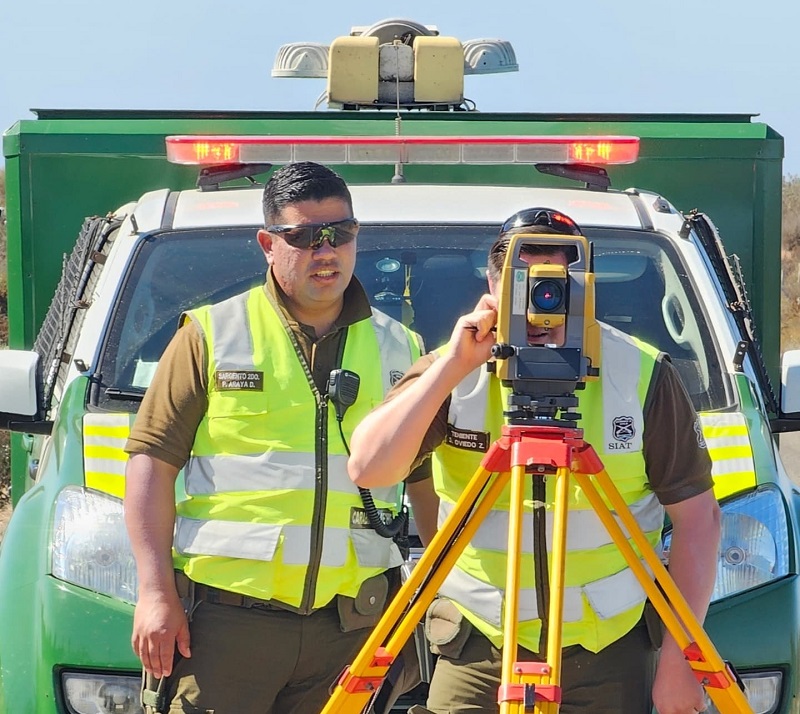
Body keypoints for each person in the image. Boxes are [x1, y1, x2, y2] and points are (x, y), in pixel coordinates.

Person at [347, 208, 722, 714]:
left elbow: (699, 521)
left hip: (607, 649)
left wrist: (681, 668)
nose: (546, 296)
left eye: (562, 277)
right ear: (493, 282)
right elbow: (370, 468)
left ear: (586, 283)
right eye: (528, 278)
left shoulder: (640, 374)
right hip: (477, 645)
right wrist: (455, 365)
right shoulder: (457, 366)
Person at [124, 161, 436, 714]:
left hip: (351, 627)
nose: (326, 251)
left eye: (339, 234)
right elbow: (151, 464)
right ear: (268, 243)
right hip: (226, 627)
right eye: (304, 237)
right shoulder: (210, 335)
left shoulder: (403, 348)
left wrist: (436, 595)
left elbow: (427, 485)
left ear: (356, 237)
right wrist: (154, 592)